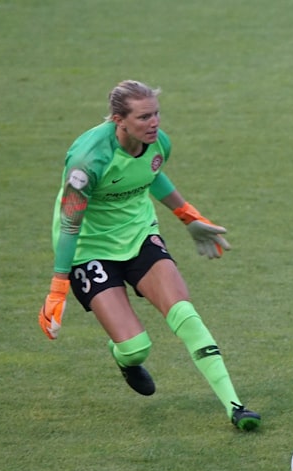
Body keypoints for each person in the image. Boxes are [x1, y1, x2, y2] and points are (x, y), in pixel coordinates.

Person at [38, 79, 260, 431]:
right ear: (118, 120)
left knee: (184, 313)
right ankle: (124, 359)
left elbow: (151, 174)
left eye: (156, 113)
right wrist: (58, 287)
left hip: (139, 234)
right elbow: (69, 224)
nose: (153, 123)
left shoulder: (158, 143)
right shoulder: (88, 160)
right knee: (136, 348)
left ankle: (235, 407)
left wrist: (188, 216)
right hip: (88, 248)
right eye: (143, 117)